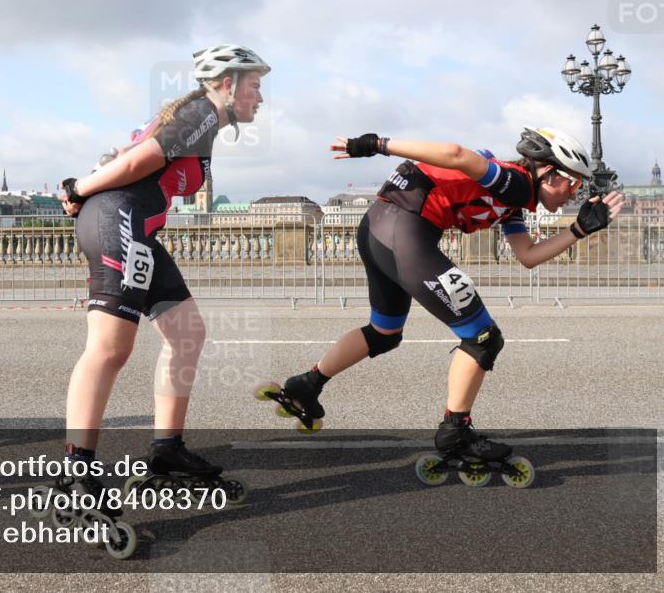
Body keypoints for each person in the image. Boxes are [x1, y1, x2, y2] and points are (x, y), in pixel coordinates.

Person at [263, 128, 623, 463]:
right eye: (573, 186)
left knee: (384, 334)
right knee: (483, 338)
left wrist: (579, 230)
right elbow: (455, 154)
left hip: (379, 228)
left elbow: (527, 255)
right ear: (550, 174)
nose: (573, 196)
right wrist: (376, 145)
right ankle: (455, 433)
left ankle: (306, 385)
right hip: (404, 232)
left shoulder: (515, 201)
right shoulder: (515, 182)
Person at [57, 44, 270, 504]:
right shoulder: (203, 113)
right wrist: (78, 188)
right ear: (228, 85)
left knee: (188, 332)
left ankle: (167, 449)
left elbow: (127, 155)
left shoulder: (201, 119)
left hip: (137, 228)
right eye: (255, 86)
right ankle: (76, 470)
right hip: (120, 222)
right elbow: (138, 163)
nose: (261, 97)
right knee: (111, 348)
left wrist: (84, 187)